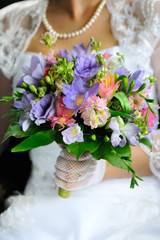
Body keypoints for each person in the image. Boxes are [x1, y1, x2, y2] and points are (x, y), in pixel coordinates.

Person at [0, 0, 160, 239]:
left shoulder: (149, 12)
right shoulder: (10, 24)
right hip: (38, 217)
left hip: (133, 212)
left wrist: (102, 167)